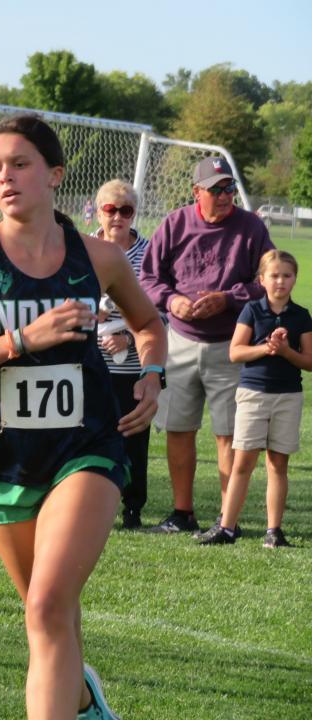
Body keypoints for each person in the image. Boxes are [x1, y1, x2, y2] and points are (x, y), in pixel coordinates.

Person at [0, 114, 166, 719]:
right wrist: (20, 341)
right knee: (49, 618)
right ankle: (85, 702)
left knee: (48, 606)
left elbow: (149, 324)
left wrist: (153, 373)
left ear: (54, 175)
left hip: (86, 449)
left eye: (20, 164)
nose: (5, 177)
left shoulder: (99, 257)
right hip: (1, 457)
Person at [140, 157, 274, 535]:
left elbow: (269, 279)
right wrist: (170, 300)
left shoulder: (250, 227)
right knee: (179, 428)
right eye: (215, 189)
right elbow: (148, 277)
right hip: (180, 340)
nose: (224, 195)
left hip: (231, 343)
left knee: (228, 434)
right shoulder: (175, 223)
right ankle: (182, 513)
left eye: (228, 187)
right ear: (196, 191)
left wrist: (229, 298)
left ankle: (225, 520)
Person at [198, 250, 312, 547]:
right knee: (243, 463)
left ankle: (274, 531)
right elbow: (236, 352)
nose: (281, 281)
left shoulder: (301, 316)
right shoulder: (251, 310)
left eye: (287, 276)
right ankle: (227, 527)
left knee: (278, 464)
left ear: (294, 279)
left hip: (287, 397)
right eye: (274, 275)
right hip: (253, 395)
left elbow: (309, 361)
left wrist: (287, 352)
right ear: (262, 280)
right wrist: (266, 348)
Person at [92, 180, 152, 529]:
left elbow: (160, 310)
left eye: (125, 210)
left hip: (132, 366)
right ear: (98, 210)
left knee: (132, 437)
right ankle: (92, 505)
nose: (117, 217)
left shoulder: (149, 252)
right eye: (110, 210)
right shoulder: (81, 248)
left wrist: (129, 337)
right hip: (88, 362)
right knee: (90, 436)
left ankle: (133, 507)